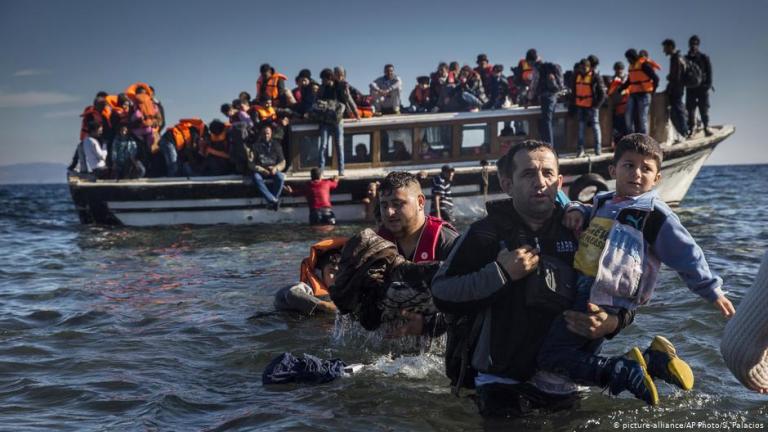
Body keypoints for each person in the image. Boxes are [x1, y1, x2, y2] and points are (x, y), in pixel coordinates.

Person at [431, 140, 640, 417]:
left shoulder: (583, 230)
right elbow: (441, 292)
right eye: (528, 174)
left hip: (565, 379)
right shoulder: (485, 234)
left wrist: (611, 323)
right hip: (501, 380)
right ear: (507, 185)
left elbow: (626, 293)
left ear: (560, 182)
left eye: (548, 174)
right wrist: (500, 274)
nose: (540, 182)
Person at [536, 133, 735, 406]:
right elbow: (584, 208)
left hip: (605, 298)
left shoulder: (654, 215)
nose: (637, 173)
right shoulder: (604, 202)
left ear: (657, 178)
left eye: (646, 168)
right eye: (629, 165)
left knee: (553, 356)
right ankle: (654, 361)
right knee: (578, 359)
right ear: (612, 170)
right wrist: (576, 210)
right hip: (583, 289)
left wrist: (712, 290)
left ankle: (627, 371)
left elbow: (686, 253)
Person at [377, 171, 459, 337]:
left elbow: (470, 300)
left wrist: (429, 325)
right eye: (384, 205)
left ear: (421, 202)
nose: (389, 212)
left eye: (397, 204)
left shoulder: (448, 242)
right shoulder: (378, 244)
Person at [274, 238, 345, 315]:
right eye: (331, 272)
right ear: (319, 272)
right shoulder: (307, 288)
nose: (336, 277)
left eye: (340, 272)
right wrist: (325, 305)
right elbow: (292, 293)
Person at [316, 67, 359, 176]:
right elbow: (316, 101)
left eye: (324, 79)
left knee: (339, 145)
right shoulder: (322, 89)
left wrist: (356, 113)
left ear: (329, 78)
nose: (322, 82)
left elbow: (348, 99)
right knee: (323, 146)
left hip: (337, 120)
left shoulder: (340, 86)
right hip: (324, 120)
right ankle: (321, 170)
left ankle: (341, 170)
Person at [527, 52, 564, 148]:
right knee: (548, 121)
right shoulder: (548, 66)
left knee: (546, 122)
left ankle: (549, 147)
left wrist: (529, 98)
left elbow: (534, 85)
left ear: (531, 61)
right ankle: (549, 146)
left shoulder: (538, 68)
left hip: (546, 97)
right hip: (553, 96)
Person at [573, 58, 606, 157]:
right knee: (581, 128)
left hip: (592, 107)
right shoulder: (576, 76)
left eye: (584, 68)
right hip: (580, 106)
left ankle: (598, 149)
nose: (583, 69)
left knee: (595, 126)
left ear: (589, 67)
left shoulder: (595, 77)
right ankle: (580, 149)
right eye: (581, 68)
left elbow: (602, 93)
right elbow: (574, 91)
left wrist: (596, 106)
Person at [621, 49, 659, 135]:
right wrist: (621, 88)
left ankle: (645, 139)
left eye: (628, 58)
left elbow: (656, 78)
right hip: (633, 94)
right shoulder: (631, 66)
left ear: (633, 57)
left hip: (644, 94)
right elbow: (630, 80)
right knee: (628, 114)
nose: (628, 60)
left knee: (642, 118)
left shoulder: (644, 65)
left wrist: (653, 91)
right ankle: (631, 135)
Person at [249, 125, 286, 211]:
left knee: (280, 177)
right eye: (264, 133)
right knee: (256, 178)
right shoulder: (255, 146)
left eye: (268, 133)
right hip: (261, 171)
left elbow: (283, 162)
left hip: (273, 170)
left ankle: (271, 202)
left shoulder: (277, 145)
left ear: (271, 134)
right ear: (261, 134)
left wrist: (276, 168)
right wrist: (262, 170)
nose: (266, 135)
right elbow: (251, 164)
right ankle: (274, 200)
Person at [686, 35, 713, 137]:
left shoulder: (704, 58)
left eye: (695, 44)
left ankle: (706, 127)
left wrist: (708, 85)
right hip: (690, 88)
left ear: (698, 45)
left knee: (704, 108)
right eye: (692, 44)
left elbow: (709, 72)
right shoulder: (686, 58)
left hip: (702, 87)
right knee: (690, 110)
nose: (693, 46)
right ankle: (691, 129)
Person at [662, 39, 689, 139]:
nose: (664, 50)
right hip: (676, 88)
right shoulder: (676, 57)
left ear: (670, 47)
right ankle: (683, 132)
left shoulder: (676, 58)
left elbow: (676, 77)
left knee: (678, 110)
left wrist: (670, 80)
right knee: (676, 111)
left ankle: (685, 132)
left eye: (665, 48)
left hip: (676, 89)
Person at [608, 61, 629, 141]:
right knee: (616, 129)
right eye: (616, 69)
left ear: (623, 69)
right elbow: (610, 93)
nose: (618, 71)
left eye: (620, 69)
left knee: (627, 128)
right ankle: (617, 145)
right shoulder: (612, 80)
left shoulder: (627, 79)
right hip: (616, 108)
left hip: (627, 107)